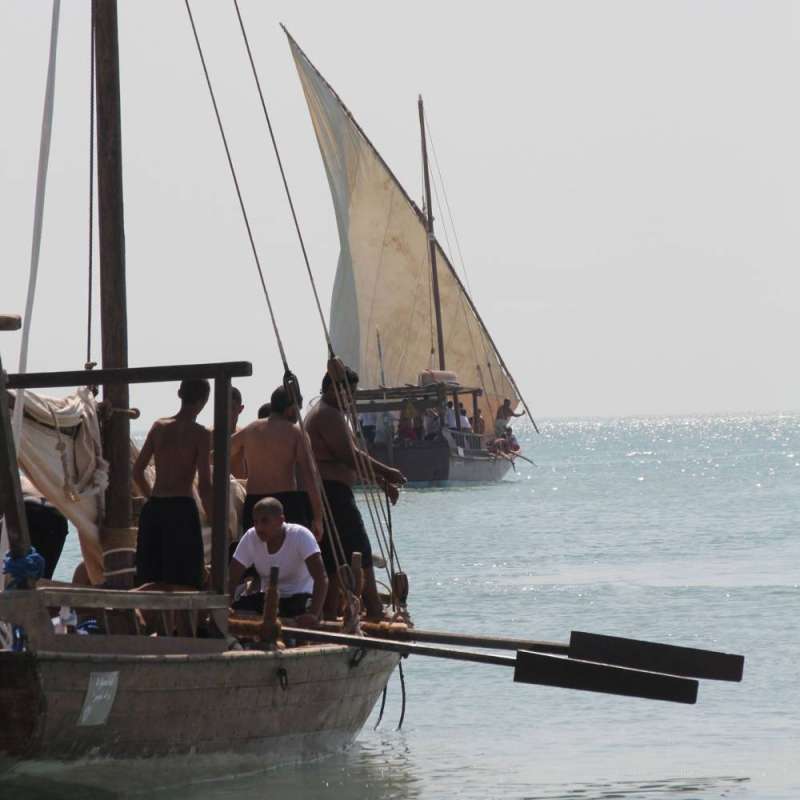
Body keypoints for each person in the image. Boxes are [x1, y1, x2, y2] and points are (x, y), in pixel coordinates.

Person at [305, 366, 406, 619]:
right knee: (358, 548)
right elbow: (349, 456)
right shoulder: (327, 414)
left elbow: (349, 461)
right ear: (332, 389)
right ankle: (374, 608)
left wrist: (380, 482)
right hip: (332, 494)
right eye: (348, 392)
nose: (351, 398)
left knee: (334, 558)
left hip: (331, 492)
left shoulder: (330, 412)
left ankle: (330, 612)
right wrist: (388, 472)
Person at [132, 379, 212, 589]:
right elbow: (204, 485)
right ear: (204, 400)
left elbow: (137, 472)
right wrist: (214, 519)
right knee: (187, 581)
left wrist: (151, 498)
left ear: (179, 394)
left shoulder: (159, 427)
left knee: (151, 578)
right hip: (182, 510)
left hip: (155, 508)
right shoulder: (201, 434)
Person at [230, 385, 323, 542]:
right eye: (298, 410)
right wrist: (318, 518)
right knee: (290, 554)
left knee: (257, 554)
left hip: (255, 505)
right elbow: (310, 478)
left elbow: (218, 455)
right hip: (285, 504)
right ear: (290, 410)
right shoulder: (296, 433)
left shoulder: (251, 429)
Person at [229, 497, 327, 627]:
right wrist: (226, 606)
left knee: (300, 613)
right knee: (239, 608)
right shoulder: (251, 537)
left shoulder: (301, 535)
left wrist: (313, 614)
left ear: (280, 521)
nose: (259, 528)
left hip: (300, 598)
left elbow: (321, 579)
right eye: (256, 522)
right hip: (267, 600)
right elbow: (231, 578)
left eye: (265, 521)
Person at [20, 474, 68, 580]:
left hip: (28, 509)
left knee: (14, 571)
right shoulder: (32, 479)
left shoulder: (18, 480)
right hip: (56, 516)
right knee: (43, 577)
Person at [229, 386, 247, 479]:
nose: (227, 412)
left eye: (232, 408)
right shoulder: (210, 436)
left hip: (240, 487)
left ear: (241, 409)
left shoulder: (245, 436)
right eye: (223, 407)